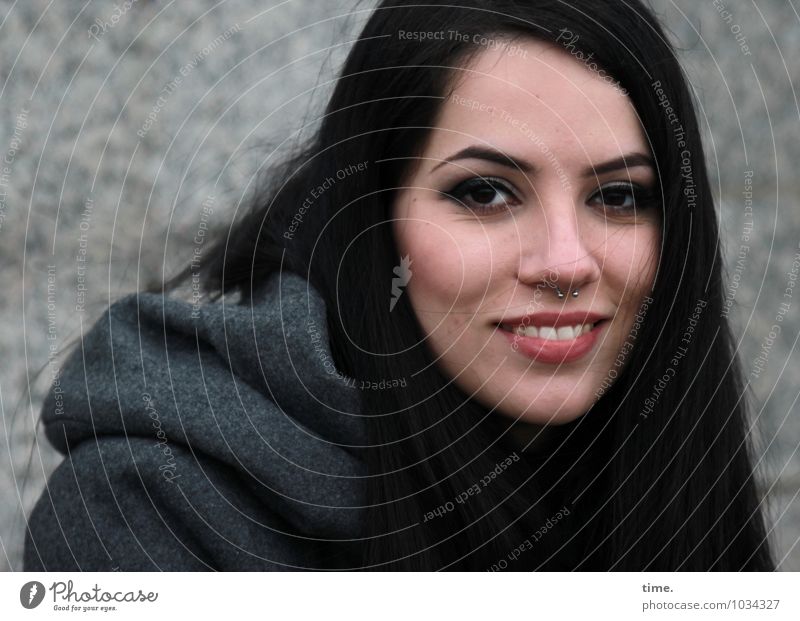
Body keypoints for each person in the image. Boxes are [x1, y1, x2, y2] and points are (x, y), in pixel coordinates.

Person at [25, 0, 774, 571]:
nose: (566, 260)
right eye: (485, 193)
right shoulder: (149, 512)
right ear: (373, 221)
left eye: (617, 197)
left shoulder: (660, 472)